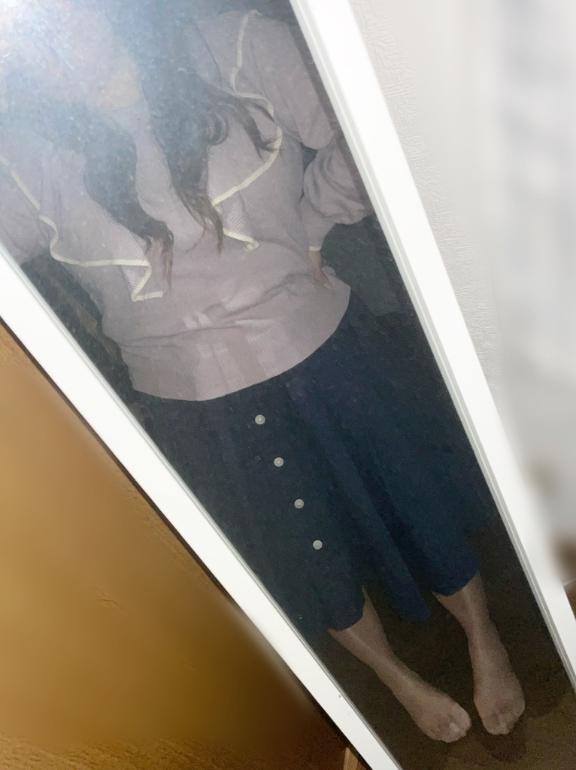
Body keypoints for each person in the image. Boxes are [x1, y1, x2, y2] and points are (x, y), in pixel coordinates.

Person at [0, 0, 525, 742]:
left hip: (323, 342)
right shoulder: (20, 155)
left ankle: (484, 637)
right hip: (190, 399)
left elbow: (362, 126)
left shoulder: (235, 44)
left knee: (416, 500)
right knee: (305, 554)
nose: (49, 51)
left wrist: (313, 219)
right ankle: (396, 681)